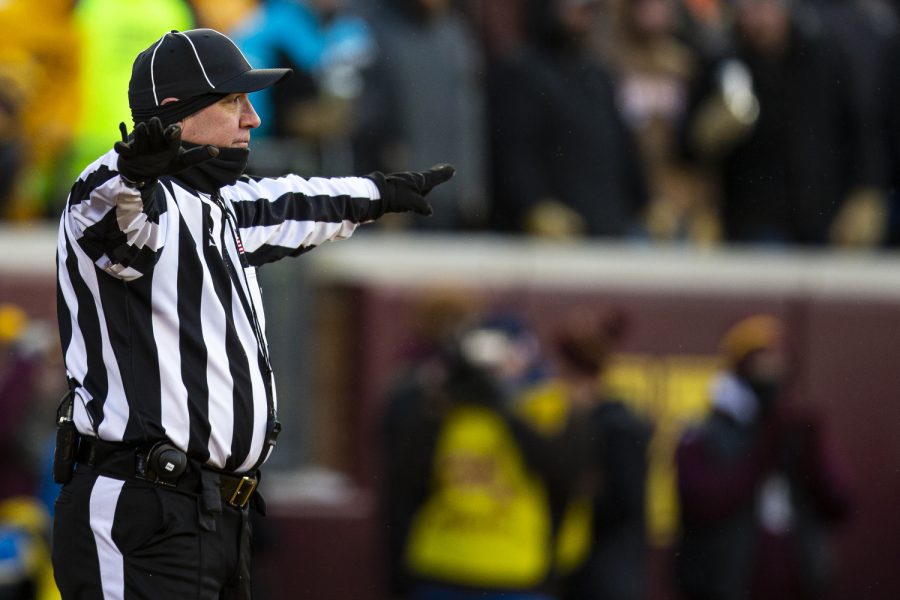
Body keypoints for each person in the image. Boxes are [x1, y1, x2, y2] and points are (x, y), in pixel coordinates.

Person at [52, 27, 455, 599]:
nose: (253, 120)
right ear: (175, 115)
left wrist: (382, 191)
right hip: (141, 508)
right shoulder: (122, 198)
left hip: (217, 515)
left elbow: (301, 201)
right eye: (232, 102)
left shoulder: (221, 206)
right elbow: (112, 204)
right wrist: (134, 167)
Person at [673, 315, 852, 600]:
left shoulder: (796, 429)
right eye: (760, 362)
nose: (771, 372)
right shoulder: (704, 433)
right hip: (724, 585)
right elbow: (701, 503)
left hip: (796, 583)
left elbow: (839, 502)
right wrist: (761, 453)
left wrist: (809, 452)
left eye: (777, 361)